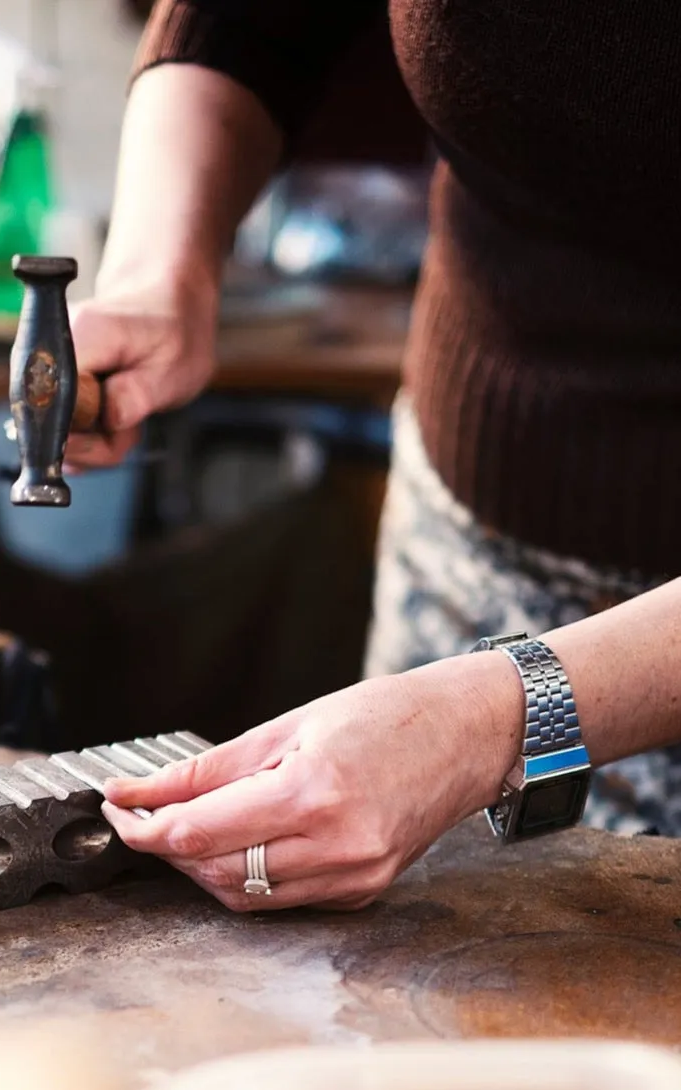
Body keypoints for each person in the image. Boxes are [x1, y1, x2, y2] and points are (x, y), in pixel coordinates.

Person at [64, 1, 681, 911]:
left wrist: (491, 720)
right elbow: (256, 23)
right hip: (481, 519)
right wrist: (160, 270)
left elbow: (476, 720)